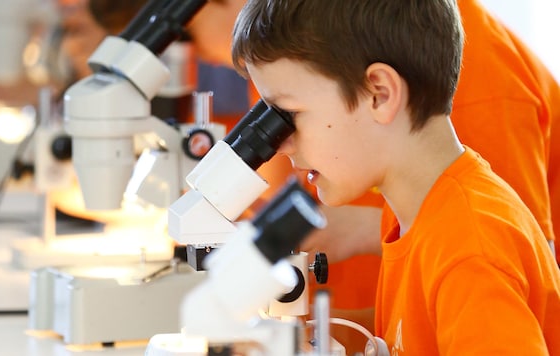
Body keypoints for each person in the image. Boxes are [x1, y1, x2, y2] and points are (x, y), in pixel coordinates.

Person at [231, 0, 560, 353]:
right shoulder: (416, 217)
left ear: (380, 94)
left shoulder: (469, 247)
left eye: (289, 114)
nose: (283, 144)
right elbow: (417, 336)